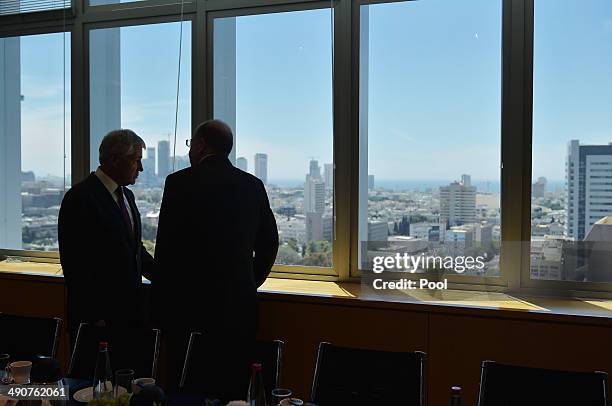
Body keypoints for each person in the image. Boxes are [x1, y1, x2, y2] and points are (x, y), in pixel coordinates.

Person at [152, 120, 278, 400]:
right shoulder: (252, 185)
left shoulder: (179, 183)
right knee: (233, 387)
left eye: (190, 144)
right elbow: (269, 244)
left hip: (186, 307)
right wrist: (248, 281)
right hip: (237, 307)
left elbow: (166, 250)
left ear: (200, 145)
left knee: (185, 385)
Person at [58, 129, 154, 345]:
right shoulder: (79, 199)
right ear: (114, 159)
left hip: (129, 317)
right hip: (97, 323)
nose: (140, 168)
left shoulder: (126, 195)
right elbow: (75, 264)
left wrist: (166, 277)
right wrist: (94, 317)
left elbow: (133, 249)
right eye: (136, 160)